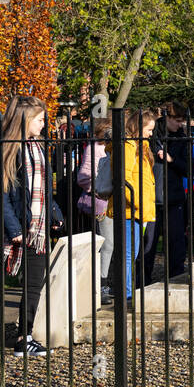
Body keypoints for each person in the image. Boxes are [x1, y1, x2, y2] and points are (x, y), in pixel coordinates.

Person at [0, 96, 64, 357]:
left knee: (34, 283)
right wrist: (13, 228)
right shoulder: (6, 147)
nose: (43, 123)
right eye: (39, 119)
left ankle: (23, 337)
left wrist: (55, 213)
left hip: (35, 229)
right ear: (25, 120)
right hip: (7, 229)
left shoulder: (38, 145)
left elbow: (44, 186)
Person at [107, 109, 156, 302]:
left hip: (138, 209)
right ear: (138, 127)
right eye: (149, 129)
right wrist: (138, 202)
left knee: (131, 253)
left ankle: (128, 291)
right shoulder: (128, 146)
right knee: (127, 254)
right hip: (130, 209)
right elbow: (123, 179)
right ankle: (125, 294)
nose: (151, 133)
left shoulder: (140, 146)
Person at [141, 102, 191, 283]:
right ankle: (142, 283)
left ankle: (176, 279)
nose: (180, 124)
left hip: (174, 198)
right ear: (167, 118)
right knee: (148, 244)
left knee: (176, 244)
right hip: (151, 198)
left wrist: (172, 159)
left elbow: (189, 169)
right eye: (177, 120)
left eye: (182, 121)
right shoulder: (151, 136)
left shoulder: (182, 139)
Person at [76, 115, 114, 304]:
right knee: (107, 245)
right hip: (101, 202)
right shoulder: (95, 148)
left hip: (113, 204)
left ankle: (107, 282)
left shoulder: (114, 147)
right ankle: (101, 285)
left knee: (112, 245)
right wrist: (99, 186)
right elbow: (83, 176)